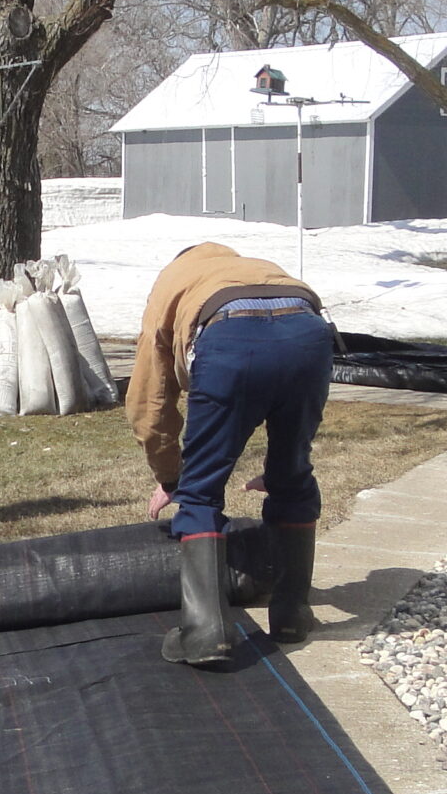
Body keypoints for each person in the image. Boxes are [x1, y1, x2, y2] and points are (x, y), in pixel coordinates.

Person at [127, 242, 333, 667]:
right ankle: (292, 614)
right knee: (294, 477)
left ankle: (205, 634)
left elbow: (150, 403)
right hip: (311, 335)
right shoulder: (257, 266)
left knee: (201, 492)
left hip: (230, 337)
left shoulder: (171, 283)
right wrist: (281, 469)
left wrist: (172, 478)